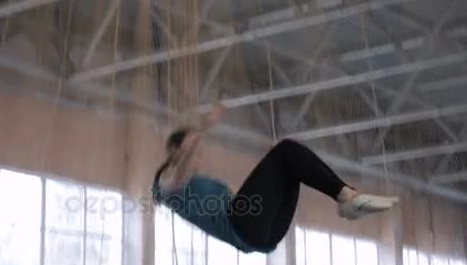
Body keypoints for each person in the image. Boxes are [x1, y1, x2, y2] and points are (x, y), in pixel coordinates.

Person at [152, 103, 399, 254]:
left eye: (199, 153)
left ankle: (348, 200)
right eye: (192, 151)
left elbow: (250, 198)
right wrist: (203, 129)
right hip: (243, 228)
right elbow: (179, 176)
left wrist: (270, 180)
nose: (198, 157)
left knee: (292, 167)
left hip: (264, 240)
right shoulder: (165, 184)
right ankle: (346, 197)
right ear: (173, 152)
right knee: (286, 150)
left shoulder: (202, 184)